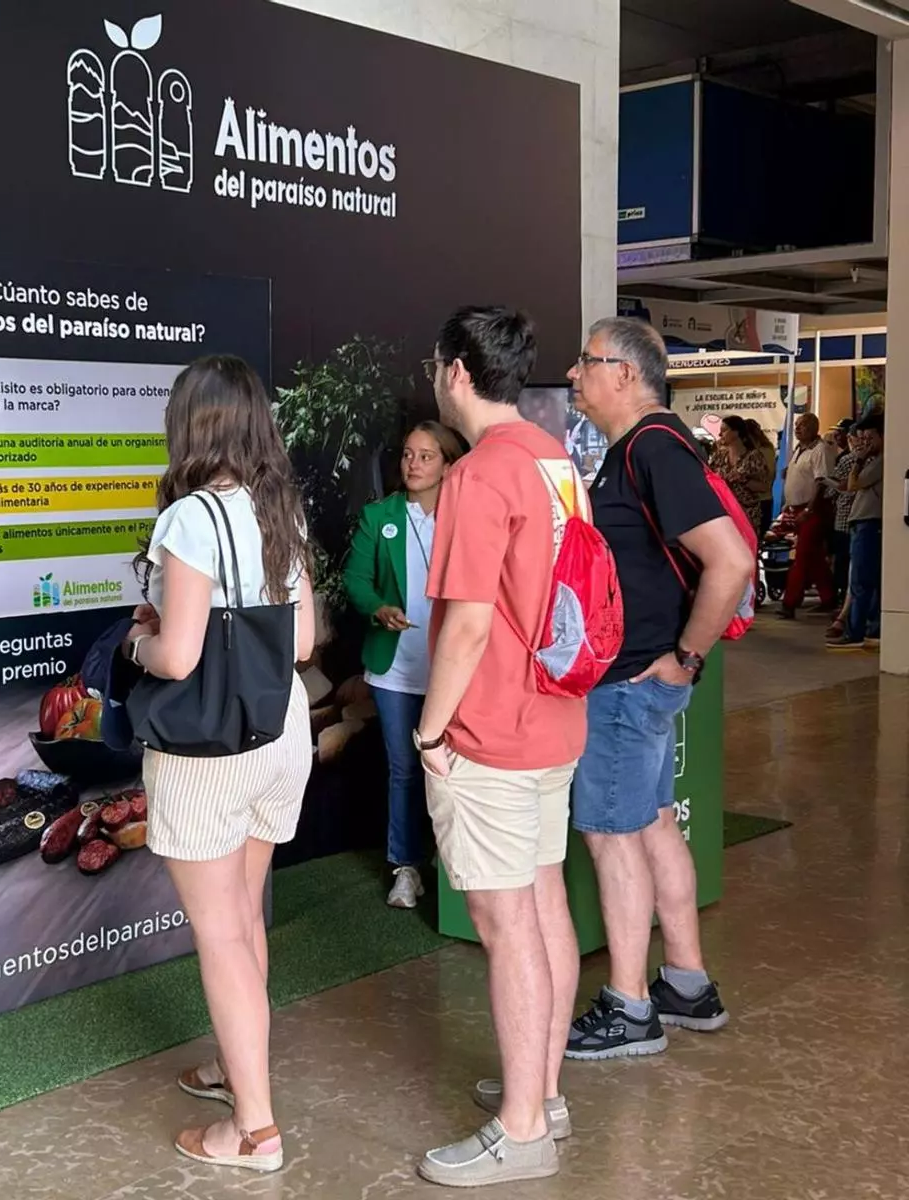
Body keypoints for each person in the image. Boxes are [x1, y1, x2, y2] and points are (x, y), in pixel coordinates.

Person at [125, 355, 316, 1175]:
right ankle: (235, 1072)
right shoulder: (281, 512)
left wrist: (136, 638)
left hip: (208, 751)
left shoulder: (191, 518)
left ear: (191, 424)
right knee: (243, 919)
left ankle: (256, 1131)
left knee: (220, 934)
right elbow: (305, 643)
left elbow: (176, 658)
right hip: (282, 732)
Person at [413, 308, 587, 1188]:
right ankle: (542, 1093)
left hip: (494, 732)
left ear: (453, 372)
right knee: (543, 894)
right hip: (555, 719)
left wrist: (431, 728)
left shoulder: (478, 477)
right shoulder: (556, 460)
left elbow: (470, 625)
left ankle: (521, 1130)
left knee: (504, 919)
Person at [562, 318, 753, 1061]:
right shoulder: (641, 450)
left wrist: (684, 656)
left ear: (627, 374)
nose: (575, 374)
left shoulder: (650, 448)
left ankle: (630, 1005)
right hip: (639, 683)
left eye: (588, 362)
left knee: (612, 838)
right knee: (650, 825)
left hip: (631, 685)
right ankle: (685, 984)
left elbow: (730, 563)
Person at [343, 421, 465, 908]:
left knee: (453, 771)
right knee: (404, 770)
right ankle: (405, 867)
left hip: (452, 668)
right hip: (395, 668)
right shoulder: (381, 516)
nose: (413, 465)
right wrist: (378, 607)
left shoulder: (467, 518)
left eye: (426, 456)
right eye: (408, 455)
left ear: (448, 464)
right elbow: (356, 580)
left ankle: (450, 860)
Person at [828, 413, 884, 651]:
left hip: (870, 522)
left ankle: (856, 632)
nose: (864, 443)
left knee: (860, 581)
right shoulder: (875, 459)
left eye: (869, 437)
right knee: (866, 579)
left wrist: (859, 460)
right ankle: (870, 629)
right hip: (862, 522)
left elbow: (853, 484)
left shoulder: (881, 460)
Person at [777, 413, 838, 619]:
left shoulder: (820, 450)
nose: (798, 428)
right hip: (797, 509)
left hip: (813, 510)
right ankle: (829, 598)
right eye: (796, 425)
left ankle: (790, 603)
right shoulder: (798, 450)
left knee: (801, 557)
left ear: (814, 427)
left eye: (802, 425)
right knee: (814, 558)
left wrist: (809, 510)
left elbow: (821, 483)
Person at [823, 422, 859, 634]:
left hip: (845, 518)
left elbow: (839, 488)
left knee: (845, 565)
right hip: (852, 518)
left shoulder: (847, 460)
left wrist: (827, 483)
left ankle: (843, 609)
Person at [709, 416, 768, 537]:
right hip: (724, 513)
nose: (720, 434)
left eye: (724, 430)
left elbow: (763, 487)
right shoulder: (719, 456)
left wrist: (743, 480)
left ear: (736, 432)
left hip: (746, 514)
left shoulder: (753, 457)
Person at [745, 418, 777, 533]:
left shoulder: (762, 452)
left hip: (759, 500)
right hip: (763, 499)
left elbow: (766, 477)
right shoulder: (768, 449)